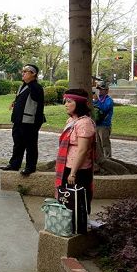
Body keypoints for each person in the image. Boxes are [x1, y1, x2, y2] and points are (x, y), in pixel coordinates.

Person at [54, 89, 95, 231]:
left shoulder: (84, 123)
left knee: (78, 200)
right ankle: (66, 225)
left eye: (69, 101)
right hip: (66, 165)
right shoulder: (72, 120)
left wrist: (73, 172)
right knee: (66, 199)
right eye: (65, 101)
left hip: (78, 169)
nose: (66, 104)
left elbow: (83, 150)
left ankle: (79, 227)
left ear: (79, 103)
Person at [0, 64, 45, 175]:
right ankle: (14, 164)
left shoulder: (36, 87)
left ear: (33, 74)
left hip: (30, 121)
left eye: (26, 71)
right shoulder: (22, 86)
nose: (23, 73)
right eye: (22, 71)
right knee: (18, 143)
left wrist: (37, 123)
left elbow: (38, 106)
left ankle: (30, 167)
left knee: (30, 144)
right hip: (18, 120)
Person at [92, 81, 114, 160]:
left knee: (105, 144)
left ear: (106, 91)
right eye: (99, 89)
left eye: (102, 89)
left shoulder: (109, 100)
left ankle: (108, 159)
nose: (100, 91)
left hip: (104, 126)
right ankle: (101, 159)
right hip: (97, 125)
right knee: (98, 145)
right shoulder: (97, 99)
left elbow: (104, 108)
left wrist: (97, 101)